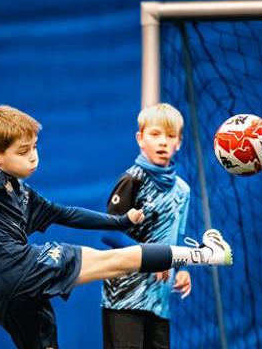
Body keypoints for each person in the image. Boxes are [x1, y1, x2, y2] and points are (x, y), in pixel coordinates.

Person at [0, 105, 232, 349]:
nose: (33, 157)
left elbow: (67, 214)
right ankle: (206, 255)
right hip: (17, 267)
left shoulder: (23, 195)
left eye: (34, 148)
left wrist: (121, 221)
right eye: (23, 151)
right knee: (114, 262)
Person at [101, 103, 218, 349]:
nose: (163, 142)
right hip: (124, 297)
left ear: (179, 142)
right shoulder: (132, 180)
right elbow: (110, 233)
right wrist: (153, 258)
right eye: (155, 134)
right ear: (140, 139)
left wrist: (182, 268)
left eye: (171, 136)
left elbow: (178, 236)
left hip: (158, 299)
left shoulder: (182, 190)